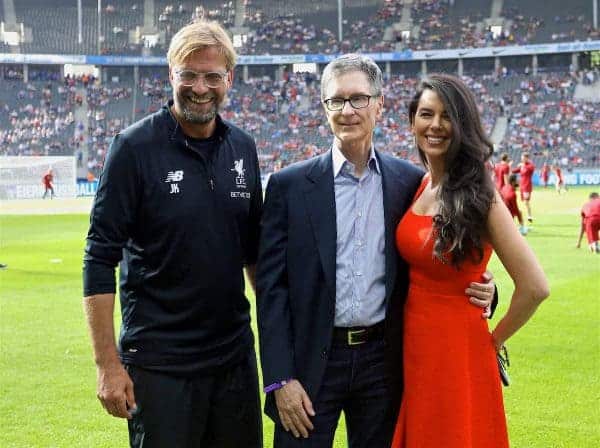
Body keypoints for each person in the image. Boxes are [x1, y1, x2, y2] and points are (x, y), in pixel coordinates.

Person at [256, 54, 496, 448]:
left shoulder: (409, 182)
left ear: (379, 104)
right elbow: (271, 289)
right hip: (312, 363)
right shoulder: (289, 186)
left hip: (383, 363)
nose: (347, 110)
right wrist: (280, 378)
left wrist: (488, 288)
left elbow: (440, 259)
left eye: (358, 99)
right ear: (324, 107)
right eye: (337, 101)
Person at [82, 20, 263, 448]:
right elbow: (99, 257)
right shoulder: (132, 148)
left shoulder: (244, 147)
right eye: (189, 74)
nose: (200, 87)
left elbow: (254, 252)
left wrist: (278, 343)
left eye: (212, 76)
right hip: (160, 366)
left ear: (229, 79)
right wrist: (107, 364)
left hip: (233, 360)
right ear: (171, 75)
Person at [391, 74, 549, 447]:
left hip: (456, 350)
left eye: (447, 116)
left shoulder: (481, 193)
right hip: (414, 344)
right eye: (426, 114)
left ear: (463, 124)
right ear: (412, 120)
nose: (435, 125)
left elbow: (535, 287)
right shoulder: (422, 182)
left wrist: (493, 342)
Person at [512, 152, 535, 223]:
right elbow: (514, 171)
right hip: (521, 186)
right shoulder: (522, 166)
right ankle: (526, 215)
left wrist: (523, 165)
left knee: (526, 201)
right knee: (523, 201)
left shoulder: (530, 165)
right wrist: (509, 166)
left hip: (527, 186)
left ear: (527, 158)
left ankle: (529, 215)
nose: (522, 160)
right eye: (522, 158)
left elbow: (531, 168)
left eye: (523, 158)